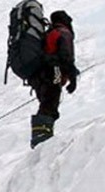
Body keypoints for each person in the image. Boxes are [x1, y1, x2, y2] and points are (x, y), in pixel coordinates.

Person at [29, 10, 78, 148]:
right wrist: (72, 77)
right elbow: (65, 57)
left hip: (40, 75)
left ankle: (41, 139)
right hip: (52, 71)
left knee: (47, 102)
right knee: (50, 102)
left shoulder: (49, 33)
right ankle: (42, 140)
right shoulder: (63, 33)